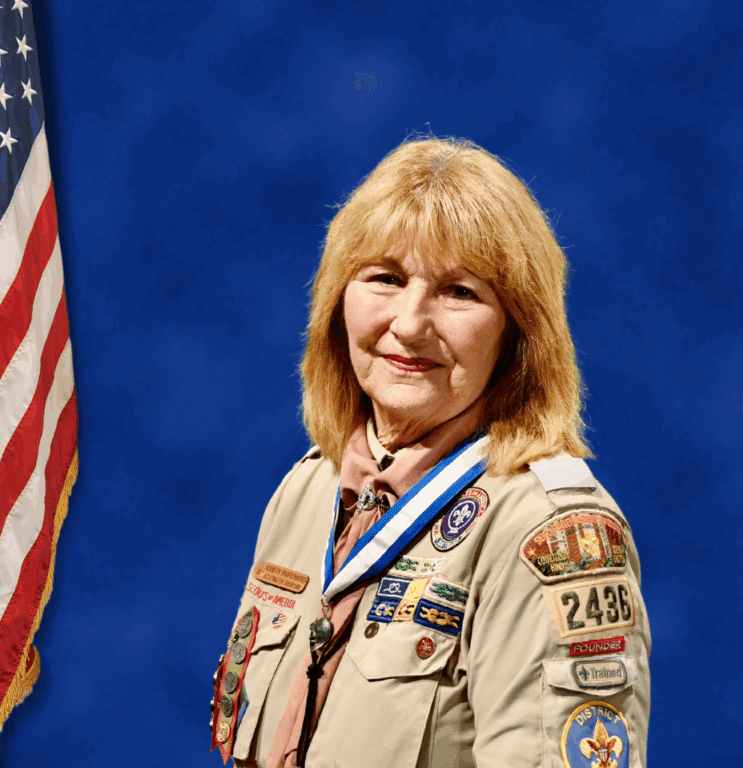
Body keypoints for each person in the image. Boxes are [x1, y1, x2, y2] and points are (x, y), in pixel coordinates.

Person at [210, 137, 651, 768]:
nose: (410, 323)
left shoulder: (550, 532)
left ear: (517, 334)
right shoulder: (309, 489)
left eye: (460, 293)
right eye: (385, 278)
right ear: (337, 303)